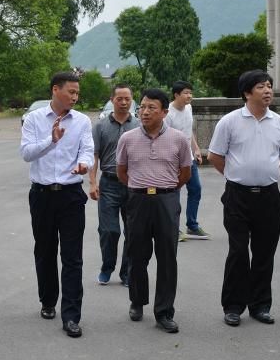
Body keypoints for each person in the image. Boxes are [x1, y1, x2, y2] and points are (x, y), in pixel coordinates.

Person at [207, 70, 280, 327]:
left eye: (269, 86)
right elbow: (215, 156)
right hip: (237, 195)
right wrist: (236, 175)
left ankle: (260, 306)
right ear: (247, 93)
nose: (267, 91)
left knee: (264, 251)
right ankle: (233, 306)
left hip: (268, 196)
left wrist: (265, 173)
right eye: (261, 87)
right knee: (238, 251)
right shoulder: (229, 122)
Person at [20, 72, 94, 338]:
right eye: (71, 92)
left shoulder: (83, 121)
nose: (75, 97)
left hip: (71, 195)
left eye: (77, 93)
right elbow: (26, 153)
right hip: (41, 195)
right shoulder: (34, 119)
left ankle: (71, 316)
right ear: (55, 90)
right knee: (45, 250)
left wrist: (84, 165)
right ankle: (48, 301)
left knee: (72, 257)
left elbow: (87, 151)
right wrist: (50, 140)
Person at [116, 88, 192, 333]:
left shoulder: (179, 139)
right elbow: (122, 172)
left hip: (167, 200)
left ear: (164, 112)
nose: (145, 112)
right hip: (137, 201)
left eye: (152, 108)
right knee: (136, 255)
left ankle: (164, 312)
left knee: (167, 257)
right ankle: (137, 301)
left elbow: (185, 173)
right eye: (142, 107)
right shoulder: (127, 138)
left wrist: (166, 190)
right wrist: (139, 188)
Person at [89, 83, 140, 286]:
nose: (124, 102)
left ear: (132, 100)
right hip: (109, 184)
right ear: (112, 100)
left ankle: (127, 272)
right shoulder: (100, 127)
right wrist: (92, 183)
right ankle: (107, 267)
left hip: (133, 184)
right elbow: (94, 156)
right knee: (109, 230)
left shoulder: (139, 125)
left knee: (133, 231)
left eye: (127, 98)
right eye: (120, 99)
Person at [164, 80, 210, 240]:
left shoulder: (189, 108)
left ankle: (192, 226)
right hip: (174, 160)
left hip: (188, 158)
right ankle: (173, 228)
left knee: (196, 189)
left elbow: (188, 131)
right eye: (186, 93)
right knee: (174, 194)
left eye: (191, 92)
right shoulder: (168, 114)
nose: (189, 96)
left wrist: (196, 149)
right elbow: (165, 138)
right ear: (176, 95)